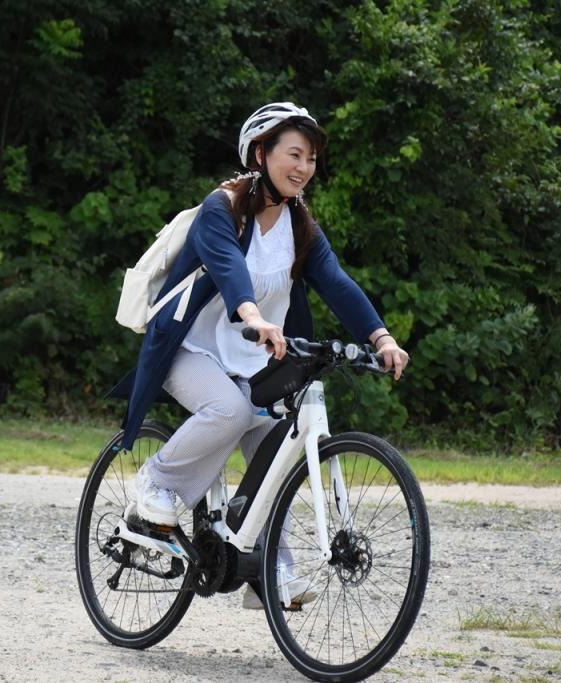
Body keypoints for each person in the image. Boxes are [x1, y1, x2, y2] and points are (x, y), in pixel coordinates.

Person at [121, 102, 409, 608]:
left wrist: (381, 337)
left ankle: (267, 569)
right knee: (229, 410)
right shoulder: (222, 208)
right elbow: (230, 269)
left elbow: (337, 283)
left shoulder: (299, 225)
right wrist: (253, 317)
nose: (304, 168)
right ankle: (157, 485)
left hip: (253, 358)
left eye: (312, 159)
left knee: (278, 442)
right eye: (294, 154)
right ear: (261, 153)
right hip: (191, 347)